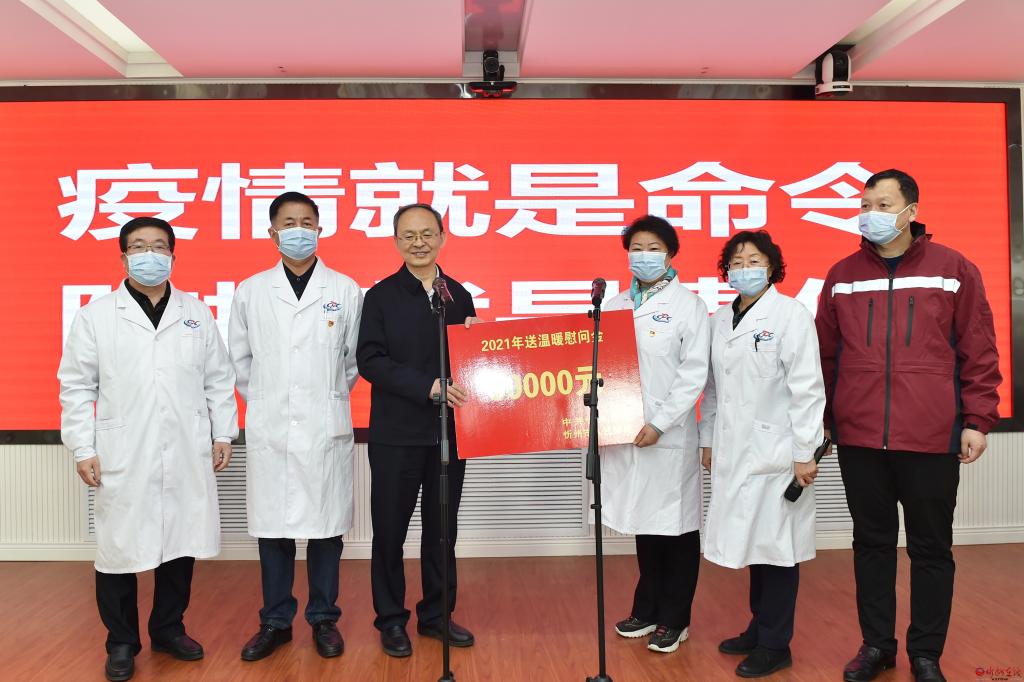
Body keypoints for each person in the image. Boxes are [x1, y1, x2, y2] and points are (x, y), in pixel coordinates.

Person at [816, 169, 1000, 682]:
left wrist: (977, 419)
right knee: (871, 545)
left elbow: (979, 348)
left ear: (911, 211)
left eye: (883, 204)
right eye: (865, 204)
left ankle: (926, 653)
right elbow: (825, 357)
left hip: (931, 436)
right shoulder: (842, 275)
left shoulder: (953, 269)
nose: (870, 213)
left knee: (930, 548)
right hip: (859, 437)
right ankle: (876, 645)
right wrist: (825, 420)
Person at [58, 217, 237, 682]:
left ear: (173, 256)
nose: (149, 255)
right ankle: (121, 641)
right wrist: (82, 447)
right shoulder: (97, 316)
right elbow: (76, 386)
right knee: (119, 549)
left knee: (180, 543)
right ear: (123, 258)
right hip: (123, 449)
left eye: (159, 246)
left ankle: (168, 628)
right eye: (139, 247)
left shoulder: (196, 313)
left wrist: (223, 434)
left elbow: (219, 379)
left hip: (186, 447)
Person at [229, 191, 363, 662]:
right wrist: (272, 402)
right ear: (272, 232)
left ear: (320, 229)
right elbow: (241, 361)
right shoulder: (250, 291)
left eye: (307, 222)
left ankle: (324, 618)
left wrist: (320, 398)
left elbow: (351, 363)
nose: (299, 230)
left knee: (326, 530)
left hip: (324, 426)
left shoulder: (344, 289)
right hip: (272, 426)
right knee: (274, 530)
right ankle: (276, 621)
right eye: (289, 223)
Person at [698, 230, 825, 678]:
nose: (744, 268)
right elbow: (713, 387)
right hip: (734, 449)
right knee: (755, 543)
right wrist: (708, 439)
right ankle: (758, 627)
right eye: (736, 261)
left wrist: (805, 451)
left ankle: (775, 643)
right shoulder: (719, 319)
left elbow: (807, 388)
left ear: (772, 267)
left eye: (754, 260)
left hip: (778, 451)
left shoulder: (790, 315)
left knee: (778, 547)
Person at [356, 203, 481, 658]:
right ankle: (391, 620)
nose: (419, 243)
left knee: (442, 531)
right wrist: (427, 387)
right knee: (390, 533)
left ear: (442, 237)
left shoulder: (458, 296)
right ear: (396, 242)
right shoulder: (380, 296)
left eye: (427, 233)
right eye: (408, 235)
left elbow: (472, 361)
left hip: (449, 434)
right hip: (395, 435)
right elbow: (370, 360)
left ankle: (437, 615)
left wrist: (479, 349)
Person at [601, 215, 709, 654]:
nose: (643, 256)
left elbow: (693, 373)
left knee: (676, 528)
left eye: (653, 248)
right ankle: (646, 609)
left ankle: (675, 619)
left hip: (668, 435)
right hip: (625, 431)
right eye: (636, 248)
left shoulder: (689, 306)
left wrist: (660, 422)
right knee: (645, 525)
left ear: (670, 254)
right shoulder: (614, 304)